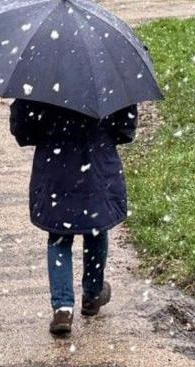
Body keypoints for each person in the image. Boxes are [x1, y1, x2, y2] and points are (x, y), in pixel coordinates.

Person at [8, 98, 140, 338]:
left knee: (59, 237)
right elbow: (125, 128)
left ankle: (62, 307)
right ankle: (92, 294)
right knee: (96, 229)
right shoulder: (108, 77)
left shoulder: (42, 78)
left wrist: (47, 132)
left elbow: (22, 129)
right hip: (97, 167)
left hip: (55, 169)